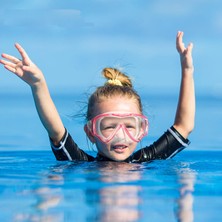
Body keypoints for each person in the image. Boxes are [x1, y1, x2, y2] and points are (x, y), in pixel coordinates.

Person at [0, 31, 195, 163]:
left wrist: (187, 70)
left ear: (142, 129)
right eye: (109, 126)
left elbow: (184, 127)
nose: (120, 134)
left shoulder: (148, 160)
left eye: (129, 126)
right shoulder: (80, 163)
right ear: (91, 132)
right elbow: (55, 130)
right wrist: (38, 84)